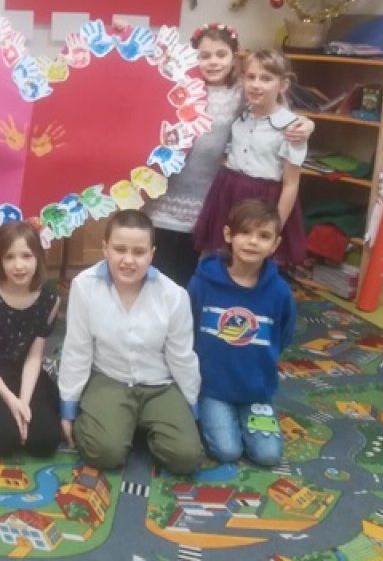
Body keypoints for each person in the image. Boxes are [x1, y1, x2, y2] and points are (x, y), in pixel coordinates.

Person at [147, 24, 313, 286]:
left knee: (207, 269)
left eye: (221, 54)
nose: (213, 62)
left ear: (234, 57)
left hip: (212, 198)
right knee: (161, 265)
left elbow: (274, 105)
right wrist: (125, 33)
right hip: (171, 193)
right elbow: (146, 71)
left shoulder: (240, 94)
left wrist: (308, 124)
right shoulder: (179, 85)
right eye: (204, 55)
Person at [58, 210, 202, 474]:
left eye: (139, 252)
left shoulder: (173, 295)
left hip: (159, 384)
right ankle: (119, 423)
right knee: (104, 453)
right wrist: (68, 406)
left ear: (152, 253)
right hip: (109, 378)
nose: (128, 260)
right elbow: (77, 349)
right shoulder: (84, 286)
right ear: (105, 248)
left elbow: (182, 356)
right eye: (119, 249)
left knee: (187, 457)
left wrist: (192, 406)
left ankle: (133, 423)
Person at [190, 199, 296, 467]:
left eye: (264, 236)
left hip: (256, 390)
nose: (252, 242)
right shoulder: (203, 282)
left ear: (275, 244)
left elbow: (283, 335)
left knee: (268, 455)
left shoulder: (280, 292)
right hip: (212, 387)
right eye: (245, 232)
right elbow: (187, 326)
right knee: (227, 451)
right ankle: (210, 416)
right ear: (228, 235)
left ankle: (242, 415)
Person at [193, 49, 307, 266]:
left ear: (283, 85)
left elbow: (291, 184)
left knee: (252, 263)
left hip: (263, 200)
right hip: (228, 194)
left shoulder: (293, 128)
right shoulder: (241, 114)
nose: (256, 85)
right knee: (218, 259)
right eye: (251, 77)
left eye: (266, 79)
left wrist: (275, 226)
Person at [0, 221, 62, 458]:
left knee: (46, 441)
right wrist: (10, 401)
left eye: (26, 256)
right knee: (1, 440)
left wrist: (23, 402)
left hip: (27, 374)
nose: (19, 265)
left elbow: (34, 357)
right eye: (9, 257)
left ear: (38, 257)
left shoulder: (49, 298)